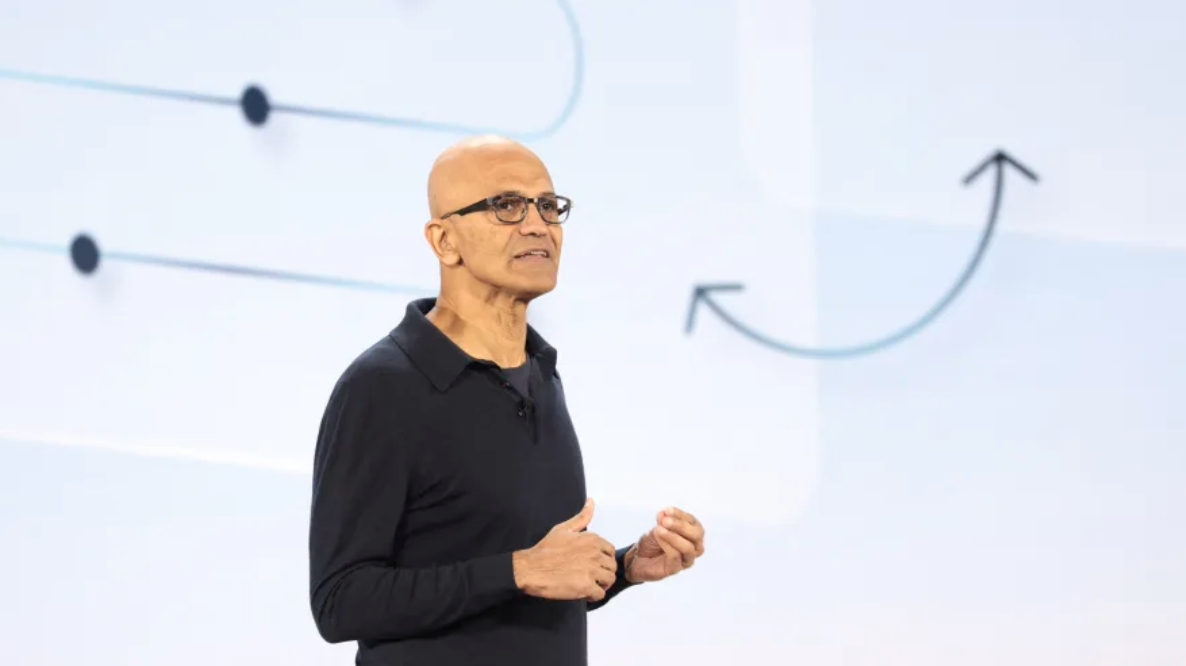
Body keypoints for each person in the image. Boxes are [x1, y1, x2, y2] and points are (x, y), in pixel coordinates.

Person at [307, 135, 707, 665]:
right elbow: (340, 601)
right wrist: (520, 570)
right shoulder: (383, 386)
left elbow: (521, 584)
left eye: (549, 206)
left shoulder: (540, 374)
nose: (538, 224)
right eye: (507, 206)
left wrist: (625, 567)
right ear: (444, 240)